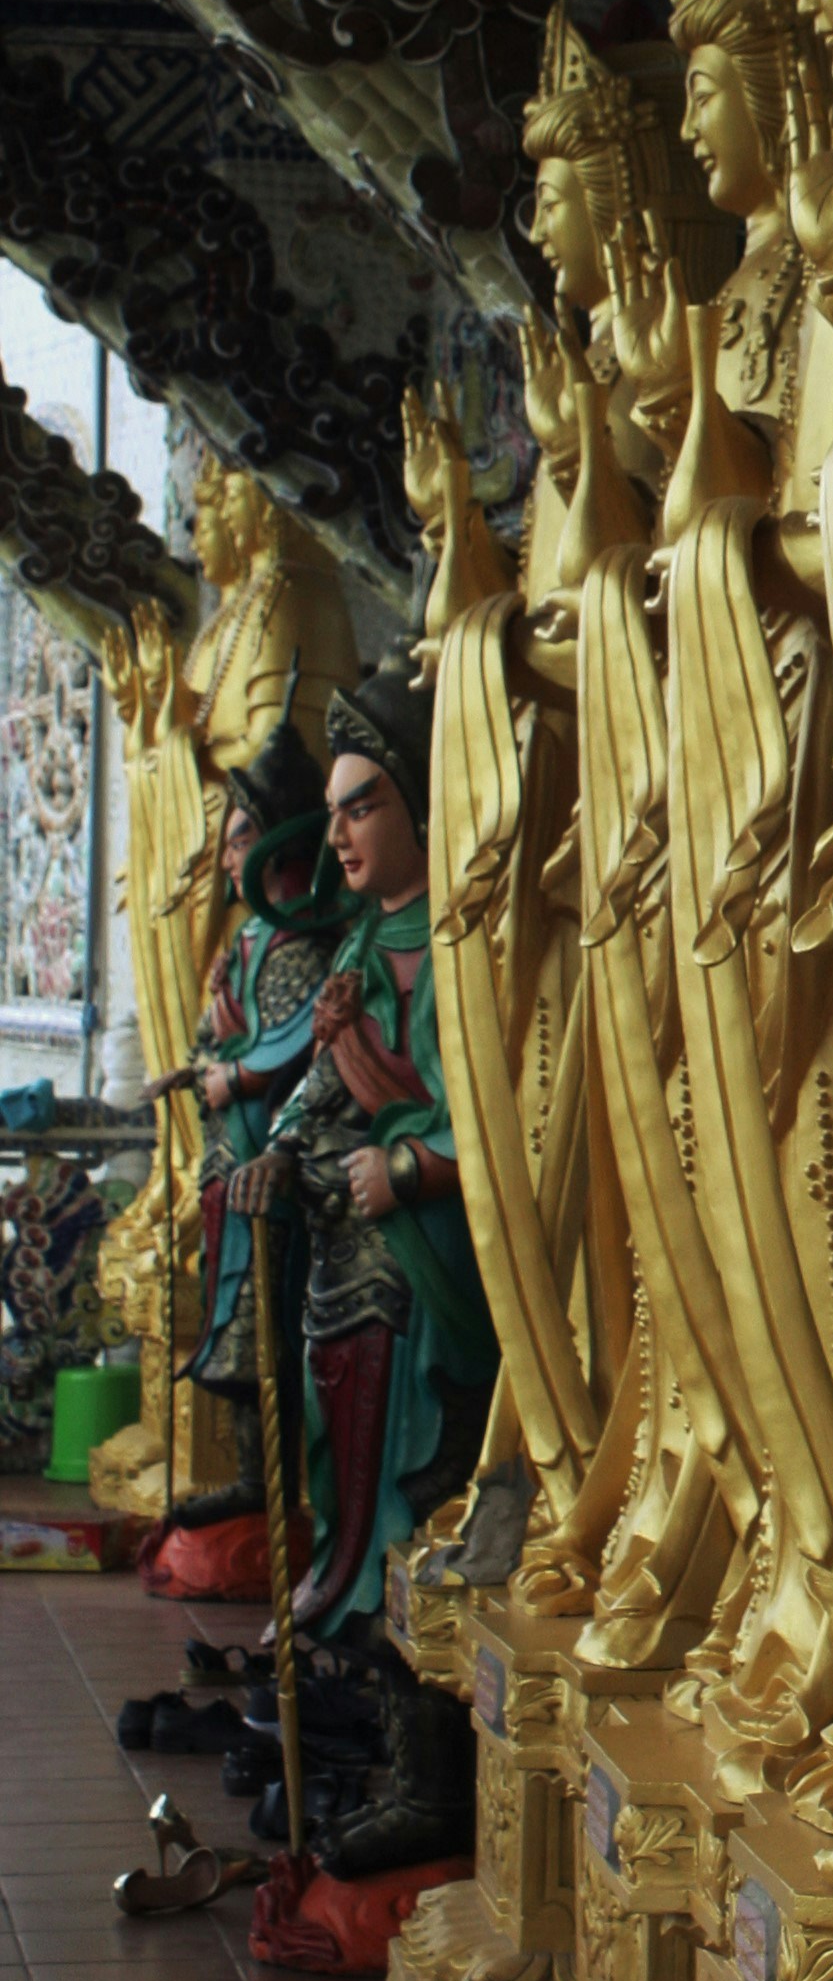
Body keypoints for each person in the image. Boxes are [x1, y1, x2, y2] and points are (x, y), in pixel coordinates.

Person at [233, 657, 499, 1875]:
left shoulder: (464, 947)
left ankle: (440, 1780)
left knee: (419, 1508)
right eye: (333, 810)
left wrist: (417, 1167)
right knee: (350, 1509)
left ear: (418, 809)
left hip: (432, 1284)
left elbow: (503, 1113)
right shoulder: (351, 952)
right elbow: (305, 1096)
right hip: (345, 1283)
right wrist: (280, 1161)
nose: (339, 831)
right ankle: (396, 1759)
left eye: (362, 805)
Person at [164, 700, 342, 1530]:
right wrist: (202, 1065)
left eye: (239, 837)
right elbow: (218, 1034)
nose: (226, 853)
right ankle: (248, 1473)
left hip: (277, 1150)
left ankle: (280, 1483)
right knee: (233, 1323)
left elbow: (294, 1039)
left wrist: (230, 1075)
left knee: (268, 1325)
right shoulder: (245, 944)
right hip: (228, 1157)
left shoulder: (307, 941)